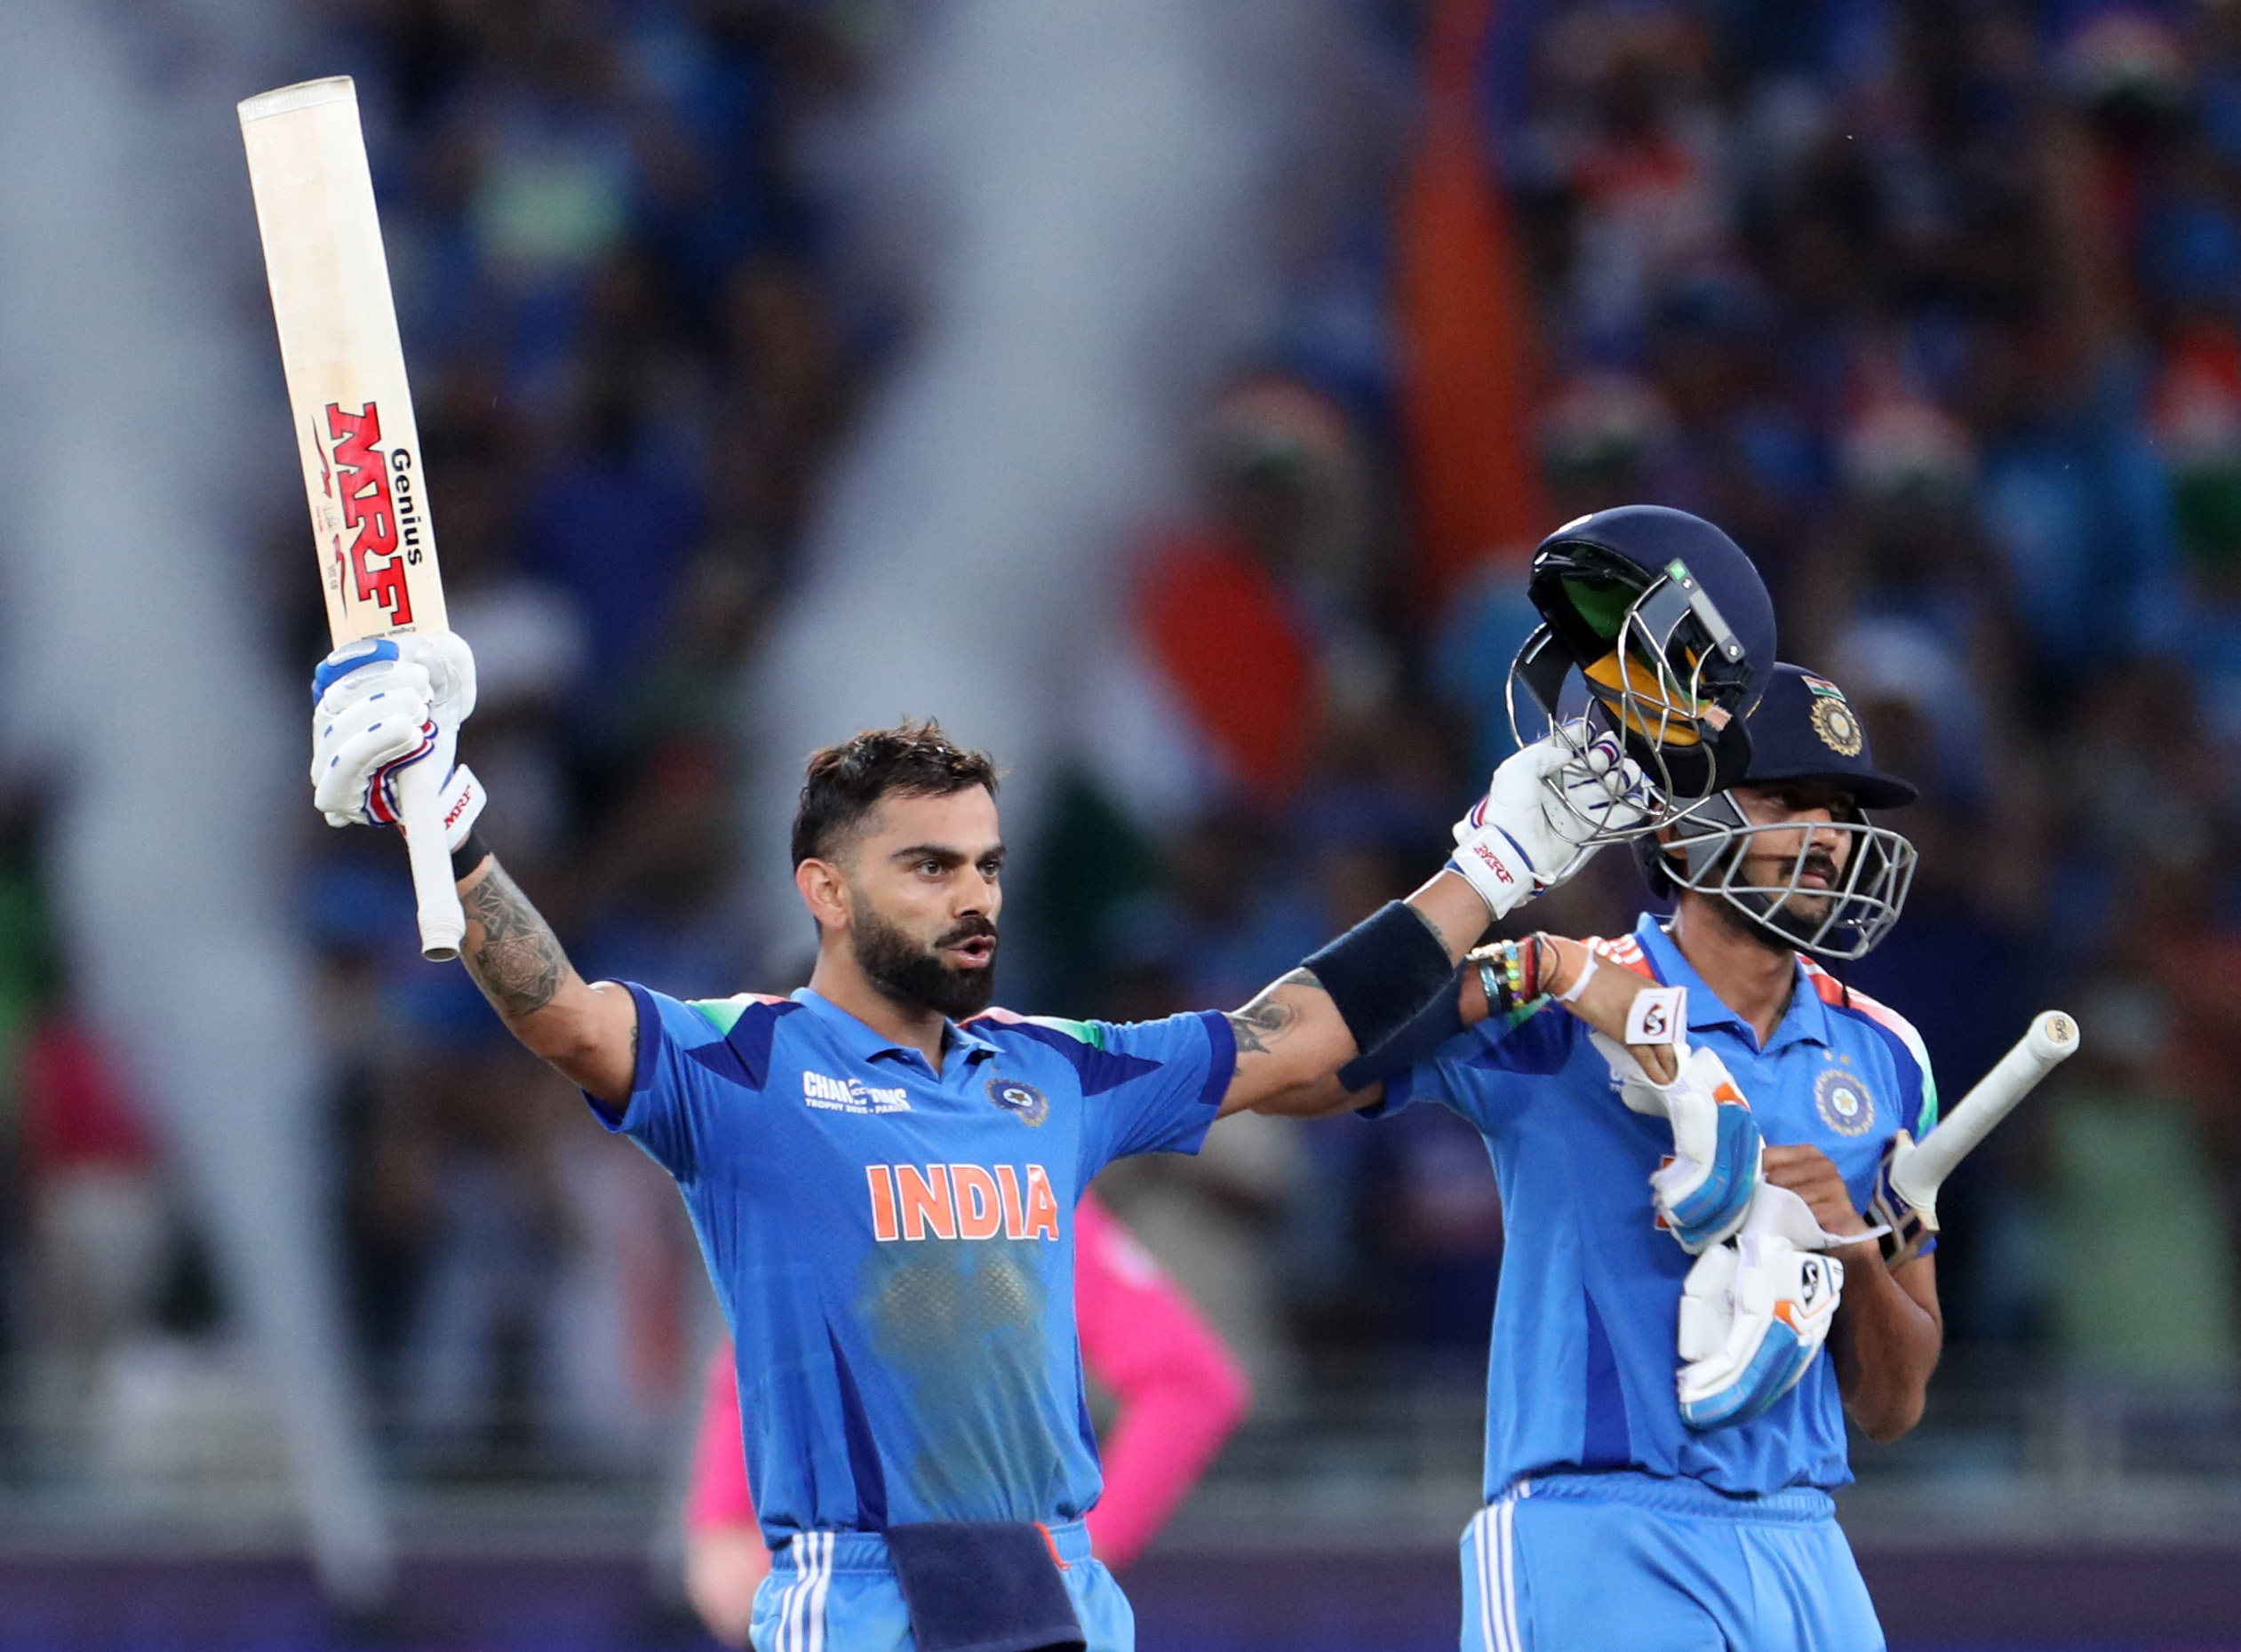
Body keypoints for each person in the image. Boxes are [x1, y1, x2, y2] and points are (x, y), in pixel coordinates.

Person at [304, 506, 1771, 1651]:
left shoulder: (1050, 1068)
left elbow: (1296, 1034)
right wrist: (442, 817)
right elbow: (561, 1012)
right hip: (866, 1592)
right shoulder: (741, 1062)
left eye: (988, 864)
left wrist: (1491, 862)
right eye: (928, 865)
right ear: (823, 885)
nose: (973, 897)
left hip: (1065, 1587)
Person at [1277, 664, 1941, 1652]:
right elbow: (1292, 1075)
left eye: (1839, 809)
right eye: (1784, 801)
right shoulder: (1556, 1001)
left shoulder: (1886, 1054)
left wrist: (1846, 1242)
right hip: (1593, 1524)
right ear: (1677, 825)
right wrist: (1516, 962)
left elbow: (1891, 1404)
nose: (1826, 836)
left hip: (1806, 1537)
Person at [682, 1190, 1250, 1646]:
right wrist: (723, 1522)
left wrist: (1072, 1555)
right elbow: (772, 1349)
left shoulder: (1018, 1188)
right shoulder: (831, 1164)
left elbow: (1189, 1385)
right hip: (846, 1599)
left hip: (990, 1603)